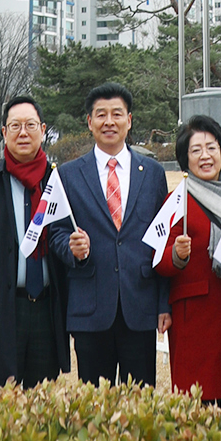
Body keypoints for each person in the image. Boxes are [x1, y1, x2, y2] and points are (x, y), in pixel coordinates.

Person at [57, 81, 170, 384]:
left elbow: (163, 242)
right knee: (94, 410)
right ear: (89, 122)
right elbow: (54, 232)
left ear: (129, 120)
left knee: (140, 409)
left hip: (140, 306)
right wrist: (71, 248)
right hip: (90, 308)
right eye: (101, 115)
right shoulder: (67, 175)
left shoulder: (153, 173)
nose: (109, 122)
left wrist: (163, 304)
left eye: (117, 114)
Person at [0, 96, 69, 388]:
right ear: (3, 132)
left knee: (42, 407)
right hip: (1, 312)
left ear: (43, 129)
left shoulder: (60, 182)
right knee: (1, 403)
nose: (23, 132)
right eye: (15, 126)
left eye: (31, 125)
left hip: (46, 310)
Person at [154, 116, 221, 400]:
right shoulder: (177, 200)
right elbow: (157, 260)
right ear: (185, 159)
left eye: (211, 148)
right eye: (196, 150)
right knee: (197, 404)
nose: (205, 156)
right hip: (193, 323)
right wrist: (176, 255)